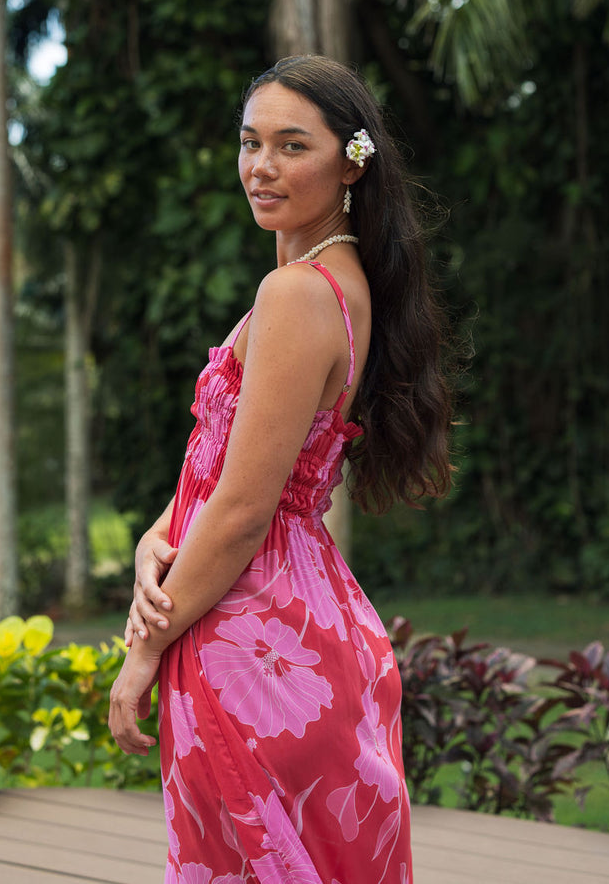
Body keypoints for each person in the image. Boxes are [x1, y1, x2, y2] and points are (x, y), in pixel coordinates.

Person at [109, 55, 452, 883]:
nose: (260, 167)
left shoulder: (298, 294)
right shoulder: (336, 282)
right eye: (249, 141)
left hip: (251, 633)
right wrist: (156, 537)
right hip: (291, 621)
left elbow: (242, 509)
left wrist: (144, 649)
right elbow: (222, 464)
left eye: (291, 145)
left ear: (350, 162)